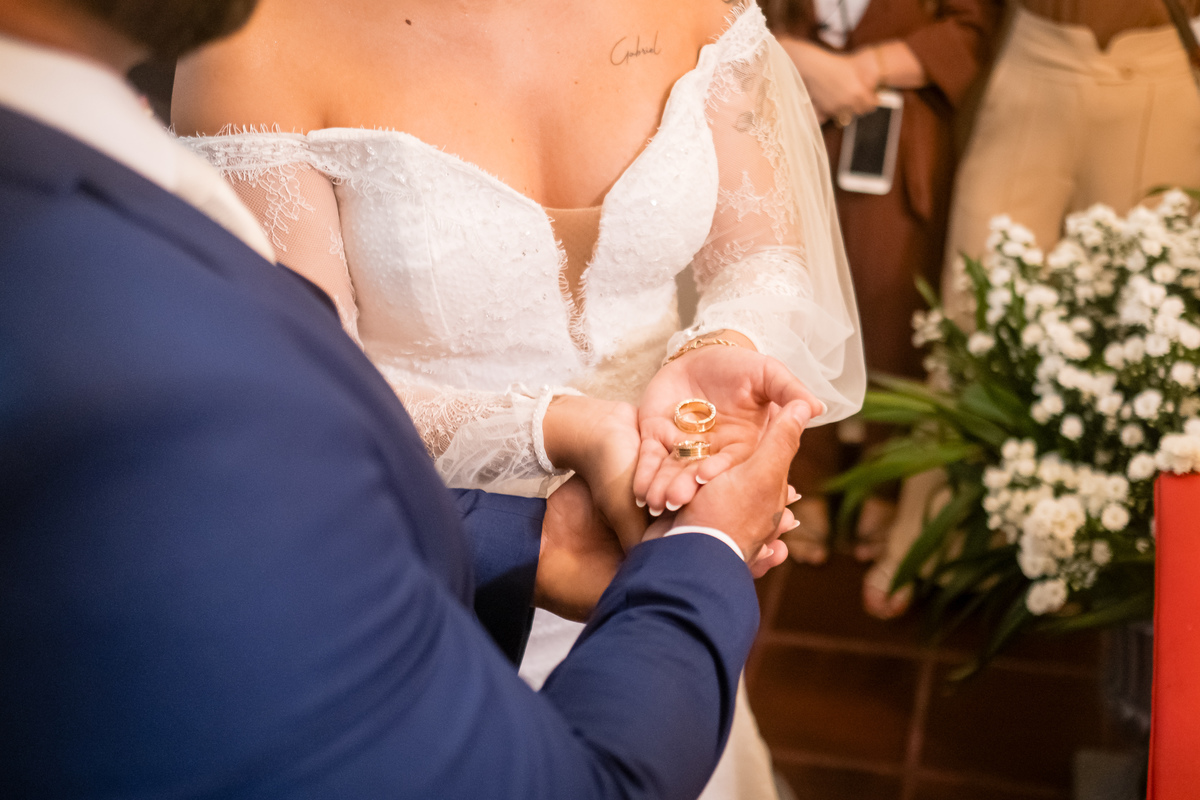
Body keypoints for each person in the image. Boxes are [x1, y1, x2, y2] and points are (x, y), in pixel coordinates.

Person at [0, 0, 813, 796]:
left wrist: (719, 354)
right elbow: (309, 381)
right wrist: (563, 432)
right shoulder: (253, 32)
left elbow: (761, 260)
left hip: (622, 527)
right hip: (408, 572)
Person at [871, 0, 1200, 620]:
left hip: (1162, 62)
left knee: (1134, 328)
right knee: (973, 308)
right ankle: (930, 528)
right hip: (1035, 57)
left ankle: (1087, 549)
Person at [763, 0, 999, 603]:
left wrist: (863, 68)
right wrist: (806, 62)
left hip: (898, 124)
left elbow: (969, 28)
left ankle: (883, 476)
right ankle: (802, 469)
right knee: (789, 290)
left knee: (893, 300)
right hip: (784, 111)